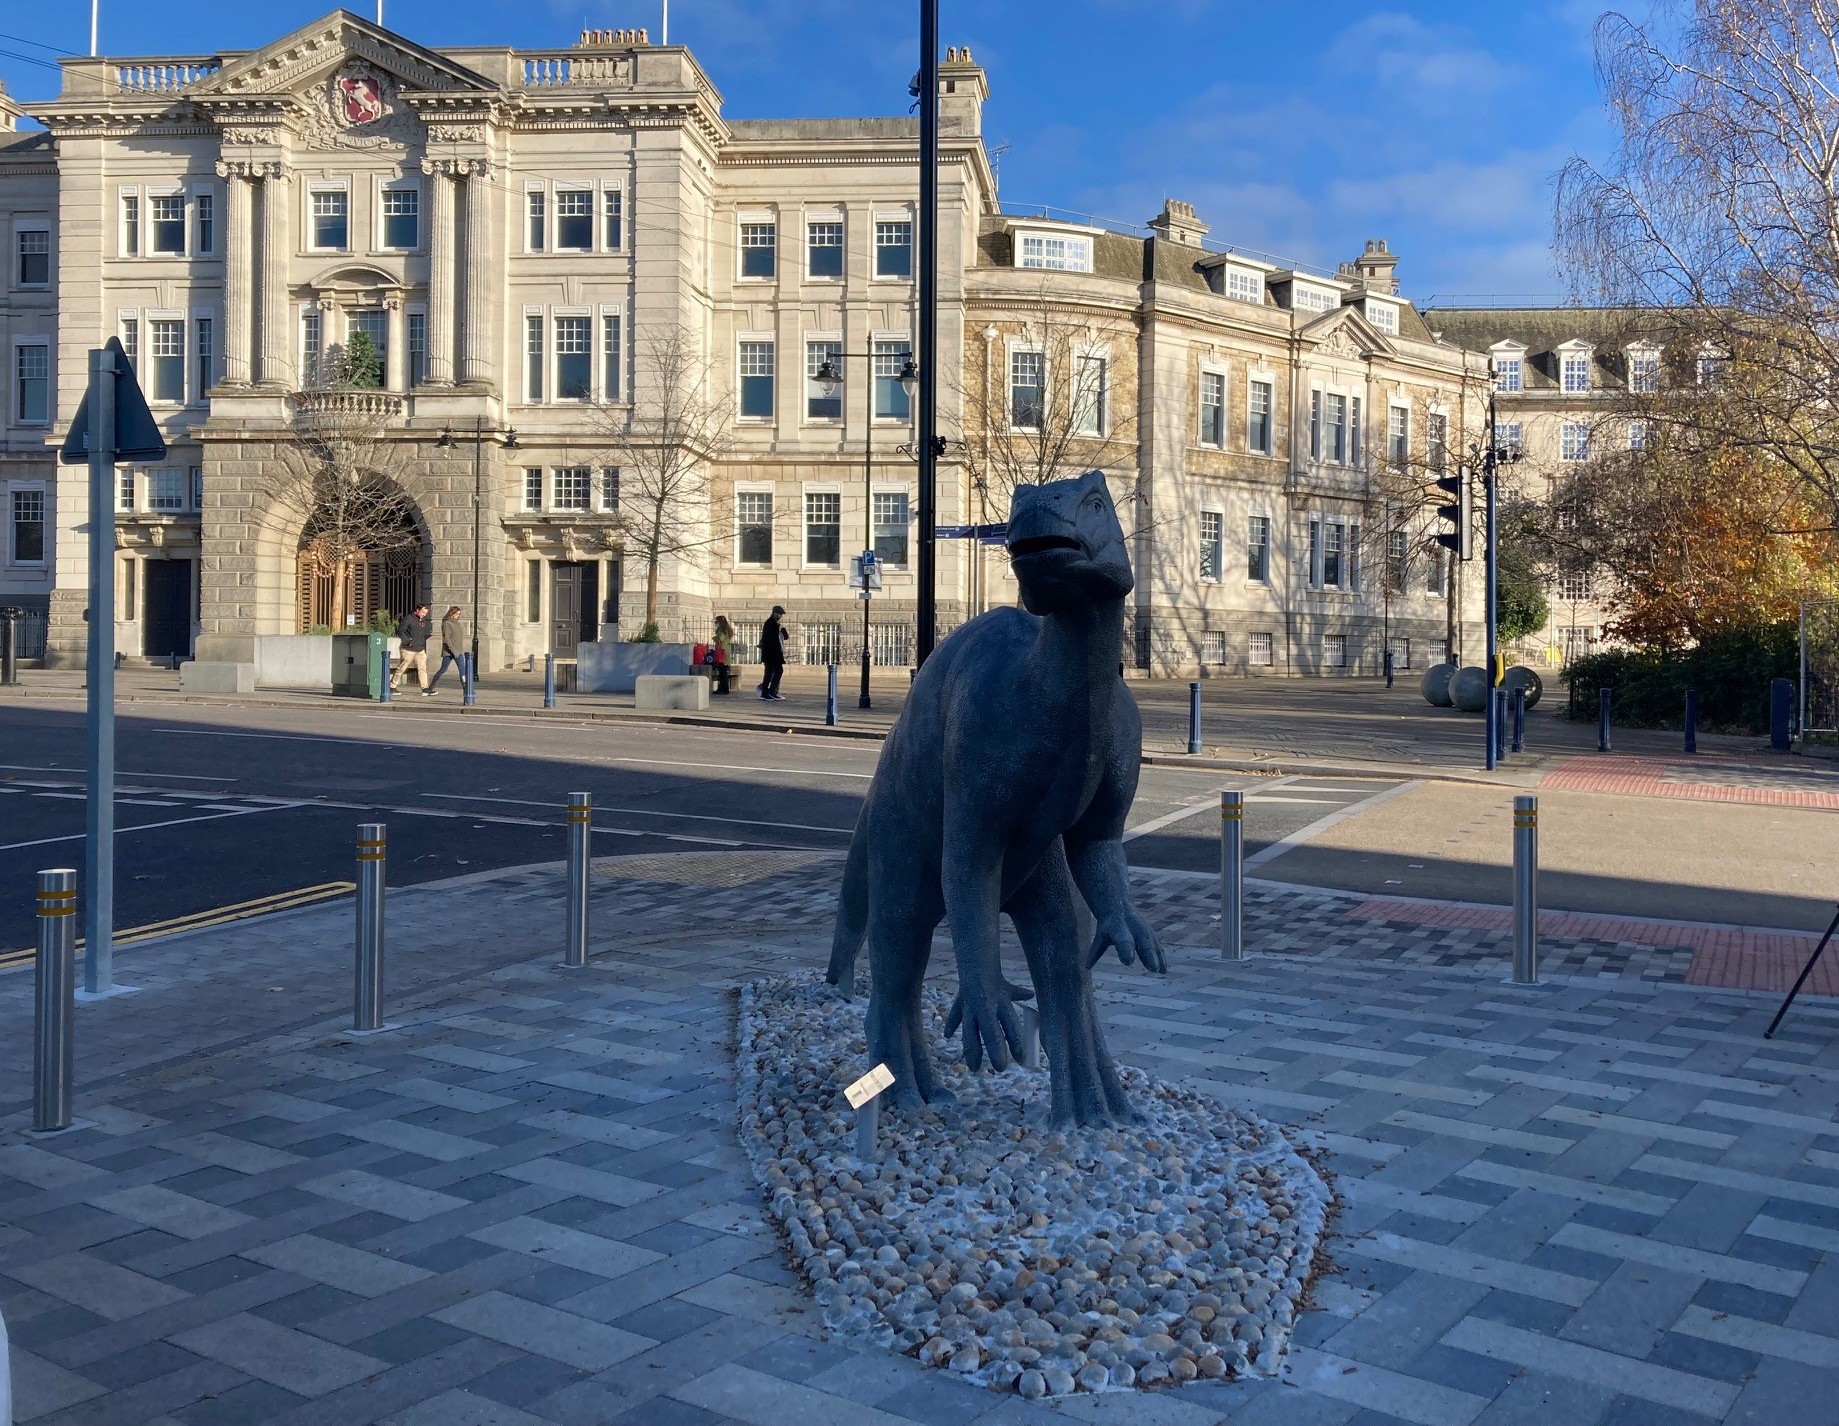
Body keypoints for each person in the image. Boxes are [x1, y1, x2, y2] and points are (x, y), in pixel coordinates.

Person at [392, 602, 436, 696]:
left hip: (419, 648)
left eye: (425, 613)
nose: (424, 615)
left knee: (422, 668)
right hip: (409, 649)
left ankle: (425, 688)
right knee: (402, 667)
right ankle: (392, 686)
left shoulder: (421, 621)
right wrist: (408, 641)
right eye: (423, 612)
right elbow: (401, 630)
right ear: (417, 610)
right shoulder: (408, 618)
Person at [429, 606, 467, 690]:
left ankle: (466, 689)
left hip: (458, 651)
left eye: (459, 614)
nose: (458, 615)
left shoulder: (457, 623)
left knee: (462, 671)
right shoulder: (447, 623)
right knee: (443, 669)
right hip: (449, 651)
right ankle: (432, 685)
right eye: (457, 614)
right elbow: (446, 638)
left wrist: (458, 651)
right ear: (452, 613)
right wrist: (453, 650)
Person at [758, 605, 788, 700]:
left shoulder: (776, 624)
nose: (780, 616)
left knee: (776, 671)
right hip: (771, 653)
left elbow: (785, 637)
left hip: (775, 653)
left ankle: (771, 692)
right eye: (779, 614)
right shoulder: (770, 623)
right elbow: (771, 639)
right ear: (775, 613)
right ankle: (765, 692)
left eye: (781, 614)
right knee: (770, 673)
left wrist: (782, 629)